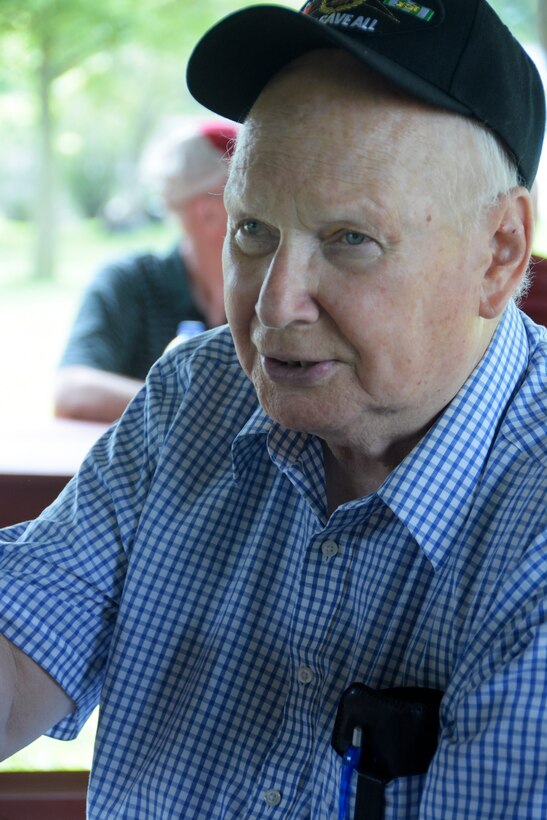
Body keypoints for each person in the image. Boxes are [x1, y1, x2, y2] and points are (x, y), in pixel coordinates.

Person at [1, 1, 546, 817]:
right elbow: (17, 667)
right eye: (252, 228)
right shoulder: (196, 395)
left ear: (498, 255)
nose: (273, 305)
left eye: (349, 240)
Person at [54, 119, 238, 423]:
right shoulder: (129, 282)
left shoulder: (275, 290)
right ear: (206, 213)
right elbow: (72, 391)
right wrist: (200, 410)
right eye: (247, 196)